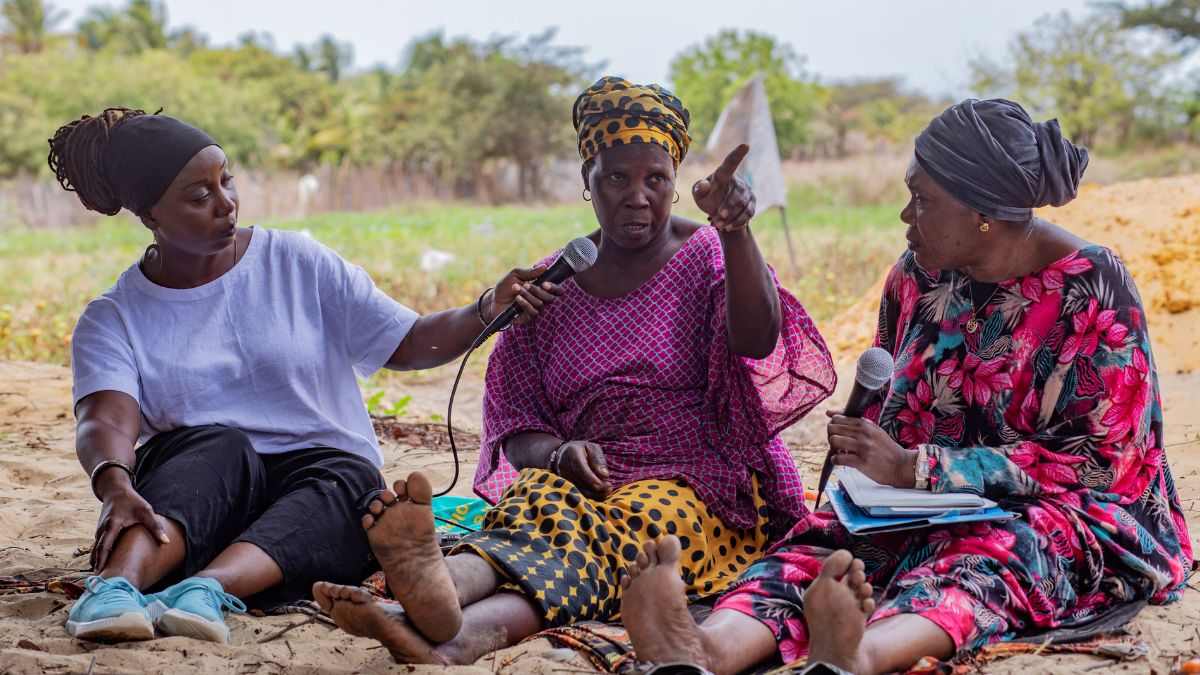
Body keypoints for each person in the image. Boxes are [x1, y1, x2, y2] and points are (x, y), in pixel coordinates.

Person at [616, 98, 1194, 675]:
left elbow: (1103, 465)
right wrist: (875, 459)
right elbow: (896, 418)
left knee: (997, 553)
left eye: (922, 201)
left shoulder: (1093, 287)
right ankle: (708, 647)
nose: (904, 216)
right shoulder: (916, 275)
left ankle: (859, 653)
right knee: (826, 548)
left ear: (983, 213)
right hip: (917, 505)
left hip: (1073, 512)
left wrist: (921, 469)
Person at [309, 76, 837, 665]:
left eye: (655, 179)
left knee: (631, 533)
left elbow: (759, 337)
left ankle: (450, 620)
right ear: (587, 181)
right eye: (616, 177)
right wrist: (560, 454)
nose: (637, 196)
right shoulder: (550, 286)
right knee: (538, 498)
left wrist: (736, 231)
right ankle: (444, 589)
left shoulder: (708, 255)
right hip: (587, 478)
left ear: (675, 185)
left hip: (701, 486)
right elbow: (517, 424)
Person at [49, 108, 561, 644]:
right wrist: (114, 483)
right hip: (195, 502)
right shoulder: (115, 315)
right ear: (151, 215)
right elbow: (105, 419)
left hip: (313, 505)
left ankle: (204, 591)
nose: (226, 203)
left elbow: (407, 340)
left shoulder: (297, 261)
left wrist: (485, 308)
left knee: (353, 484)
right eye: (199, 197)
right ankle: (112, 589)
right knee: (218, 448)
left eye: (227, 180)